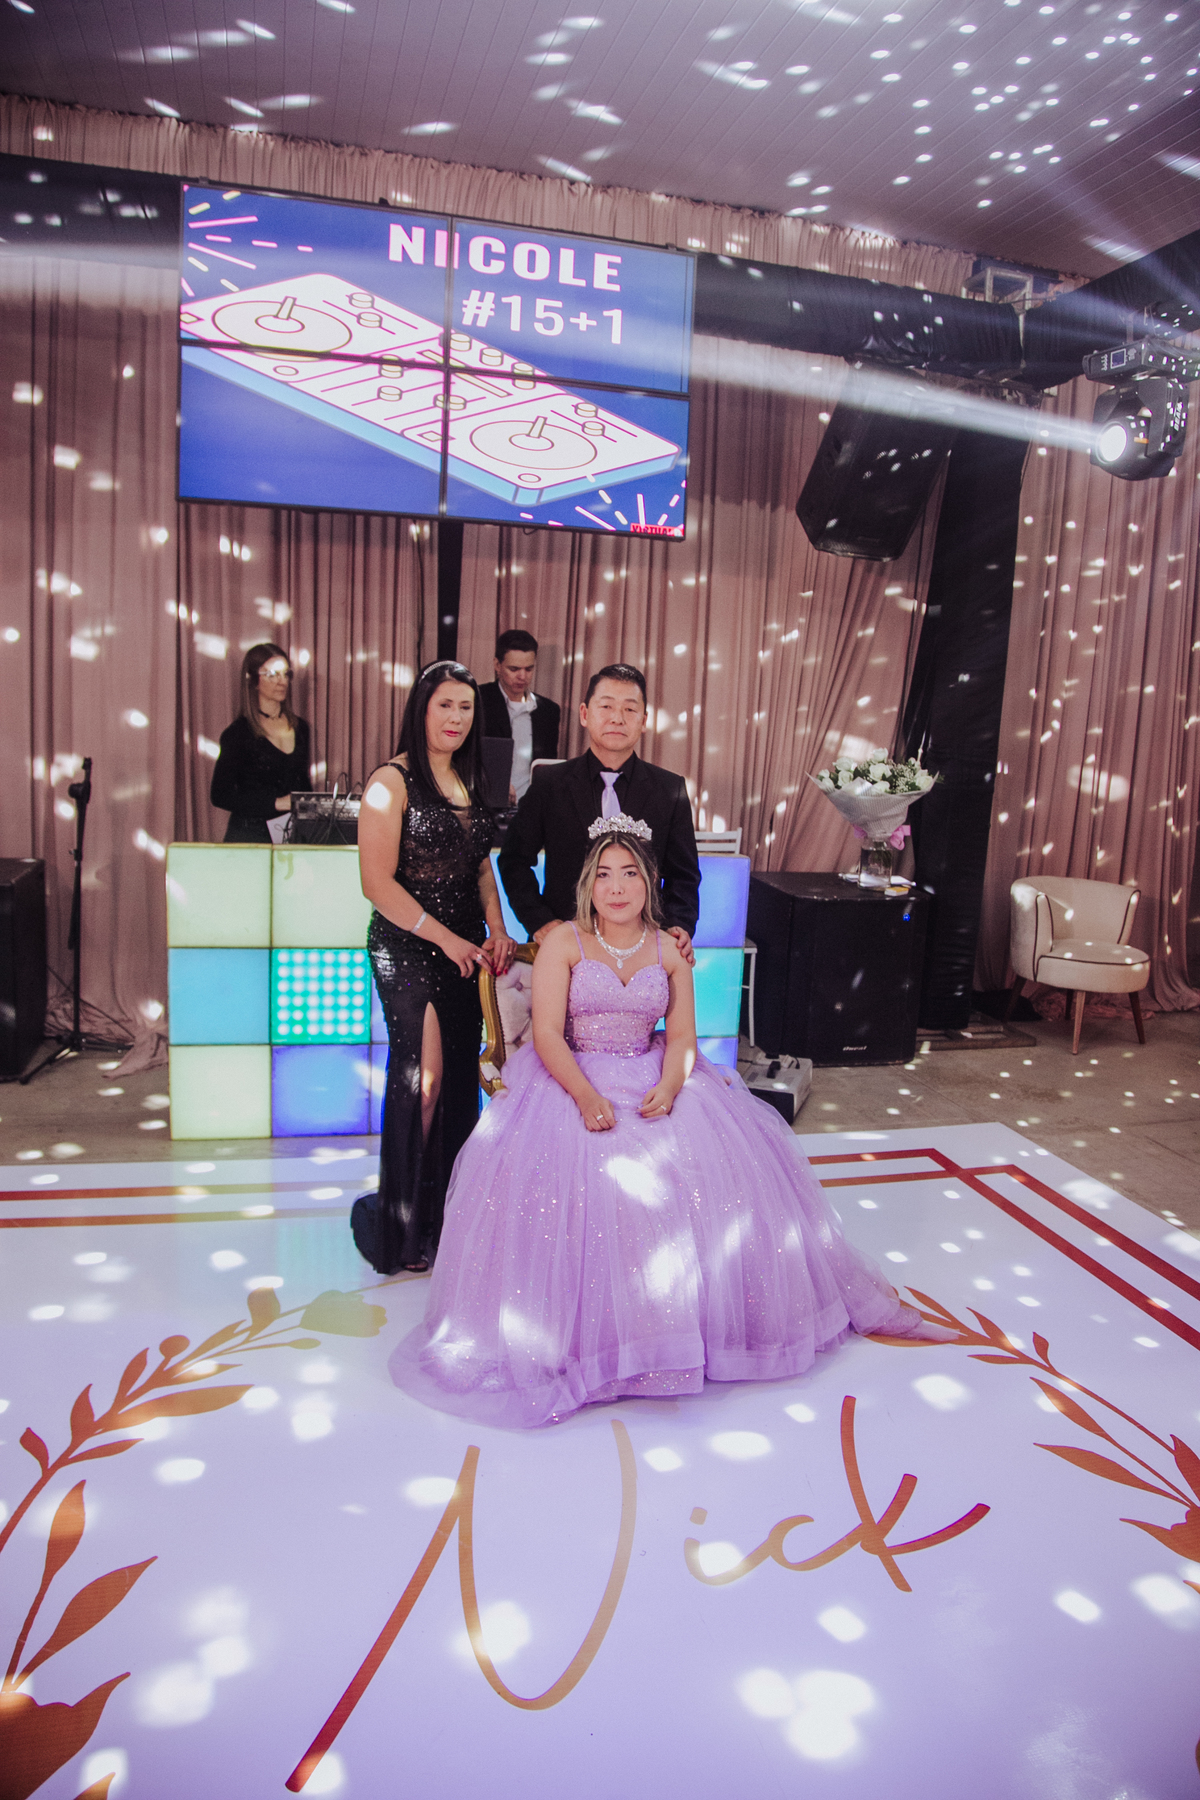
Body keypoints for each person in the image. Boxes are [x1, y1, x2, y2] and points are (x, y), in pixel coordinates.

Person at [390, 818, 946, 1428]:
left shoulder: (669, 950)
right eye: (604, 875)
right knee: (597, 1176)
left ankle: (683, 1330)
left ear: (649, 882)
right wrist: (584, 1096)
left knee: (704, 1168)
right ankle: (593, 1341)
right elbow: (546, 1034)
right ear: (588, 884)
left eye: (629, 874)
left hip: (651, 1069)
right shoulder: (564, 943)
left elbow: (682, 1037)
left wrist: (672, 1083)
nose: (617, 887)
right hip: (573, 1075)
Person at [352, 661, 514, 1275]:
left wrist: (497, 929)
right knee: (423, 1084)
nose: (456, 718)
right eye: (445, 704)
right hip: (409, 947)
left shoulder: (470, 778)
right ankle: (401, 1222)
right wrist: (446, 939)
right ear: (421, 708)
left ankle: (443, 1221)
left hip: (465, 950)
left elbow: (481, 867)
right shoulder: (388, 781)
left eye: (466, 707)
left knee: (456, 1089)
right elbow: (376, 884)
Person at [497, 662, 700, 961]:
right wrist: (539, 921)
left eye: (630, 709)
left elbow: (684, 875)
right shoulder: (550, 784)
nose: (617, 718)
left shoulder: (670, 789)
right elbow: (513, 860)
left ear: (644, 720)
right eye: (606, 706)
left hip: (642, 948)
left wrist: (677, 925)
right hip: (564, 945)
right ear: (584, 714)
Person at [210, 643, 311, 842]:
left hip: (289, 838)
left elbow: (302, 783)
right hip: (248, 839)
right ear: (254, 681)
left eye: (285, 674)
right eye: (272, 674)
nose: (282, 681)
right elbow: (220, 795)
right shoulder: (237, 734)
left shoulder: (301, 728)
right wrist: (276, 803)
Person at [477, 628, 562, 802]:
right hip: (484, 802)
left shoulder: (548, 711)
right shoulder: (478, 701)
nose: (522, 676)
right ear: (497, 665)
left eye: (529, 669)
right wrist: (496, 785)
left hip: (531, 805)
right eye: (514, 669)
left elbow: (548, 766)